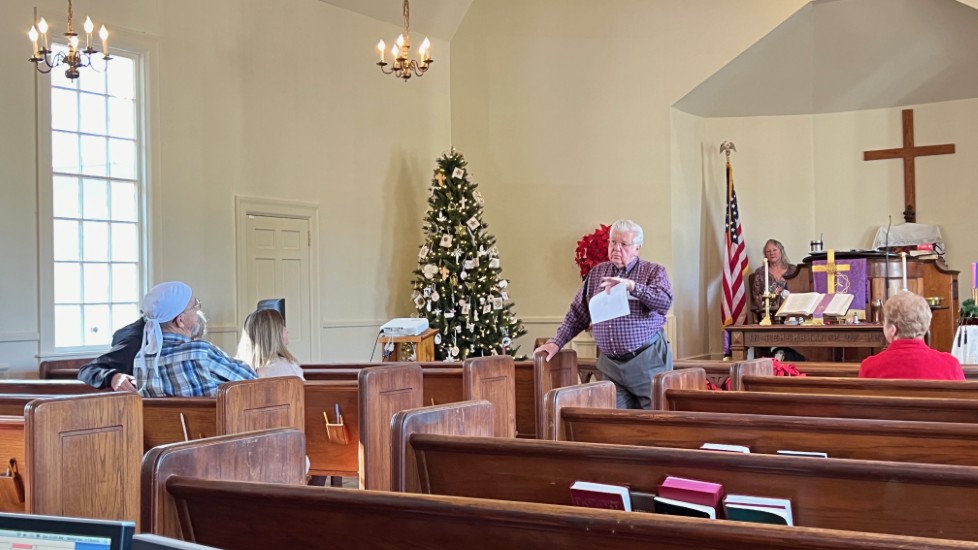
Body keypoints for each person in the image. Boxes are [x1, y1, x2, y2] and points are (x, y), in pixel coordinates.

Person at [534, 219, 673, 409]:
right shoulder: (597, 273)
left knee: (654, 420)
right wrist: (555, 343)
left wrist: (632, 287)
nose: (616, 248)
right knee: (613, 423)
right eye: (613, 242)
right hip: (611, 366)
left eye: (623, 244)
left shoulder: (653, 271)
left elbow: (664, 302)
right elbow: (578, 313)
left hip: (646, 361)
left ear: (637, 248)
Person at [134, 281, 256, 397]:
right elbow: (251, 380)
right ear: (180, 320)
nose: (198, 310)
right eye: (194, 306)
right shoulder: (199, 351)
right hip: (214, 414)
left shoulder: (140, 358)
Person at [78, 301, 210, 391]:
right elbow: (88, 370)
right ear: (179, 321)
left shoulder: (157, 330)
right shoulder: (136, 340)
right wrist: (113, 377)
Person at [859, 291, 964, 380]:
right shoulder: (950, 365)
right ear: (926, 325)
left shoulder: (870, 367)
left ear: (892, 330)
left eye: (884, 322)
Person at [236, 309, 304, 379]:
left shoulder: (242, 369)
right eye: (282, 326)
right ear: (272, 336)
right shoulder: (286, 368)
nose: (286, 330)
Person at [750, 238, 798, 319]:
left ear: (781, 251)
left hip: (791, 313)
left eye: (774, 250)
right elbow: (756, 295)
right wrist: (765, 310)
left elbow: (798, 292)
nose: (771, 253)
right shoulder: (760, 272)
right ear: (765, 255)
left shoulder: (793, 269)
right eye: (768, 251)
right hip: (768, 314)